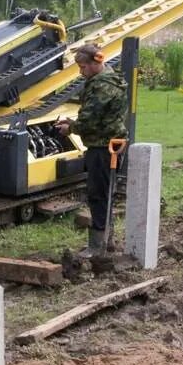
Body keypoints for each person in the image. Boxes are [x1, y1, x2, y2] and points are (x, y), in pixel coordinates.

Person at [59, 43, 131, 252]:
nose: (81, 72)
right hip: (111, 142)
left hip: (102, 147)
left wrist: (69, 128)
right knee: (107, 192)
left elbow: (89, 120)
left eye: (82, 67)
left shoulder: (101, 86)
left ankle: (97, 246)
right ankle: (107, 239)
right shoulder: (112, 77)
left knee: (98, 194)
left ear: (94, 63)